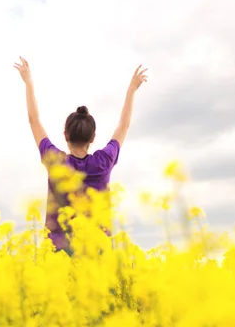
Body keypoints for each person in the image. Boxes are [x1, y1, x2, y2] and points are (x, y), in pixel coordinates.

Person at [13, 56, 148, 254]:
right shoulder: (103, 162)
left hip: (58, 255)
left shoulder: (55, 161)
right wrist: (131, 89)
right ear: (93, 138)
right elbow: (123, 125)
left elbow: (34, 121)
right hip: (97, 254)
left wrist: (28, 82)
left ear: (65, 135)